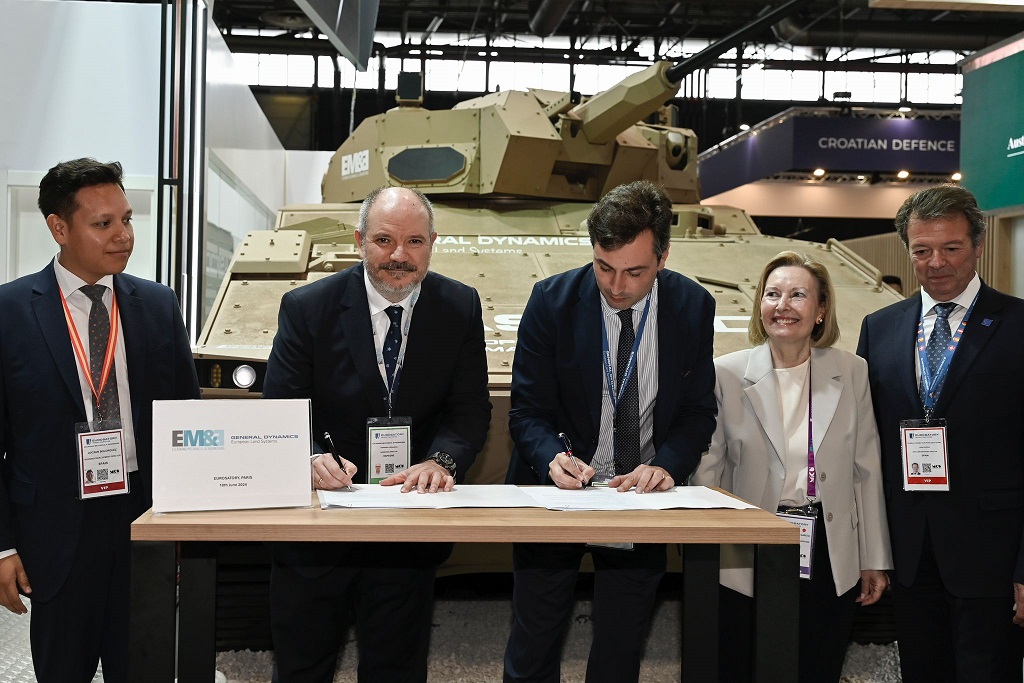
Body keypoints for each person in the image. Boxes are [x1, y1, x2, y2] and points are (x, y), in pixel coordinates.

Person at [262, 185, 491, 683]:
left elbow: (470, 409)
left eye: (414, 241)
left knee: (396, 667)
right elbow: (281, 409)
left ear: (432, 242)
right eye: (384, 240)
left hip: (407, 523)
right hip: (321, 523)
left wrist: (441, 462)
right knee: (303, 666)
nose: (398, 256)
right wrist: (309, 459)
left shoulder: (459, 306)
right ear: (360, 240)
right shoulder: (307, 307)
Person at [503, 180, 717, 683]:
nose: (617, 286)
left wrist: (666, 466)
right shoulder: (551, 301)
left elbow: (697, 412)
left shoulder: (692, 306)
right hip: (557, 493)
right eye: (604, 267)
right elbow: (527, 410)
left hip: (637, 497)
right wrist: (550, 456)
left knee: (622, 645)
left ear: (663, 256)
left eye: (635, 271)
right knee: (534, 640)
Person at [0, 158, 200, 682]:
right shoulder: (10, 311)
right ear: (59, 228)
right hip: (56, 524)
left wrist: (191, 525)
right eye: (103, 223)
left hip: (143, 513)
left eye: (127, 219)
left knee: (144, 666)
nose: (123, 235)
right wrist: (3, 545)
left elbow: (186, 421)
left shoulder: (157, 304)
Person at [692, 251, 891, 682]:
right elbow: (709, 470)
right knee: (743, 662)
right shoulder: (725, 373)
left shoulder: (852, 371)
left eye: (798, 295)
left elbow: (865, 470)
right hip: (748, 544)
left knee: (817, 661)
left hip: (828, 545)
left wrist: (873, 557)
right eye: (772, 294)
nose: (783, 305)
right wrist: (707, 553)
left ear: (821, 310)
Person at [857, 184, 1024, 682]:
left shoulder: (1018, 326)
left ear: (978, 245)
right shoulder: (879, 328)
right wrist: (872, 550)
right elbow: (866, 448)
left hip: (994, 558)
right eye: (921, 250)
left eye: (951, 248)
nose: (936, 263)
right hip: (910, 553)